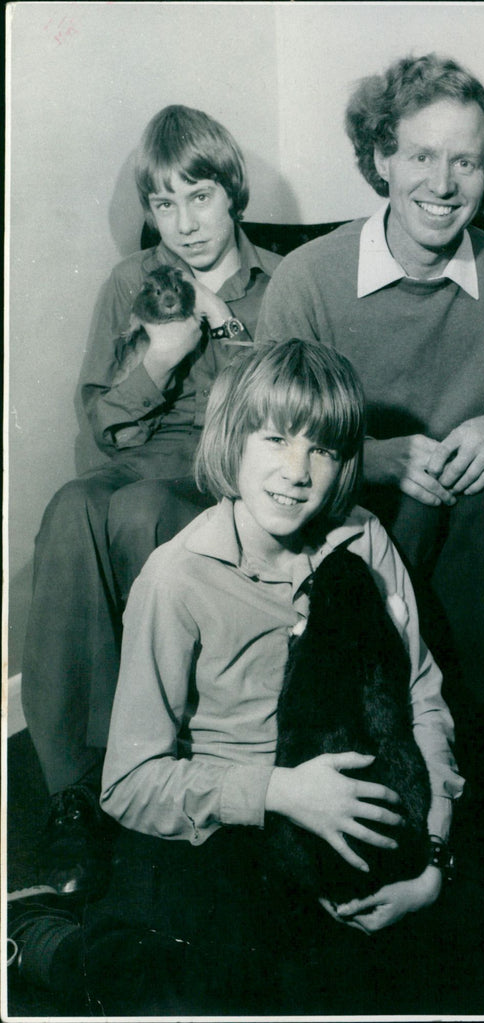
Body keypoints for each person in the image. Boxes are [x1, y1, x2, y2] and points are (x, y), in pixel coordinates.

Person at [7, 341, 484, 1016]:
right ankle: (51, 942)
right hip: (235, 824)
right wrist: (283, 791)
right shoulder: (176, 576)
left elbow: (421, 697)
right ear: (233, 439)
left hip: (360, 811)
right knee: (240, 997)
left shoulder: (363, 538)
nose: (297, 471)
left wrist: (431, 855)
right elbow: (129, 785)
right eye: (275, 438)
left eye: (322, 449)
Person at [254, 55, 484, 790]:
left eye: (466, 161)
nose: (443, 184)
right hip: (341, 529)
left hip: (473, 543)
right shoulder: (306, 279)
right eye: (422, 156)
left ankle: (475, 750)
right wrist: (366, 456)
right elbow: (262, 445)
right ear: (381, 159)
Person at [21, 104, 283, 897]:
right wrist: (162, 360)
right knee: (71, 506)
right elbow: (101, 426)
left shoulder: (279, 281)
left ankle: (165, 754)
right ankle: (76, 786)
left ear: (233, 194)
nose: (184, 223)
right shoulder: (128, 283)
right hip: (134, 460)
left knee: (142, 511)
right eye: (164, 204)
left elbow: (279, 421)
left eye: (199, 197)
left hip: (223, 467)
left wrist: (220, 331)